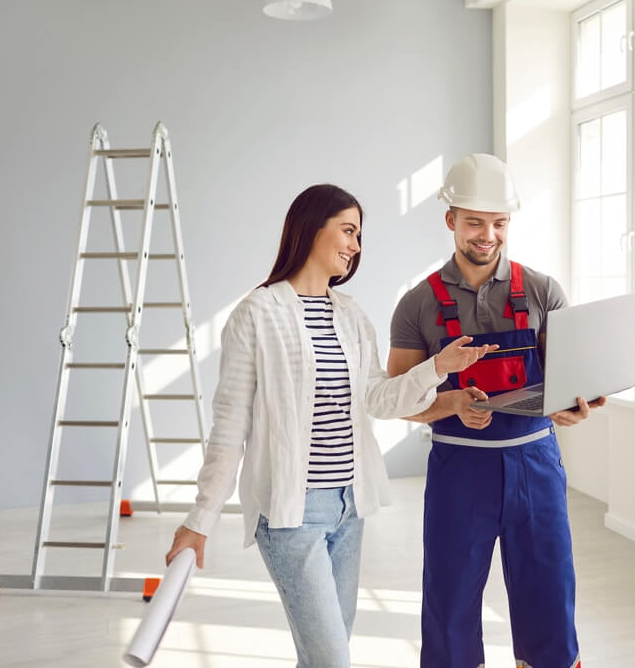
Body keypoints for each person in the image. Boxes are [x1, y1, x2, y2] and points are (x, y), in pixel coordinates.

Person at [165, 183, 495, 668]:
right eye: (347, 231)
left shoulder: (351, 315)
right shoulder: (256, 315)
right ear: (309, 228)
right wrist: (199, 521)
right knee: (331, 659)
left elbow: (379, 399)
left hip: (348, 508)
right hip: (290, 516)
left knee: (325, 652)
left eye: (359, 235)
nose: (355, 246)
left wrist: (438, 367)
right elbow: (229, 426)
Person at [387, 154, 605, 668]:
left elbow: (564, 381)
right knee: (451, 603)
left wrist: (571, 408)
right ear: (451, 220)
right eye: (475, 223)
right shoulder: (418, 304)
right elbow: (397, 398)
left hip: (535, 464)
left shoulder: (542, 291)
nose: (488, 235)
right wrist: (450, 404)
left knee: (549, 597)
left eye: (499, 223)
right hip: (460, 469)